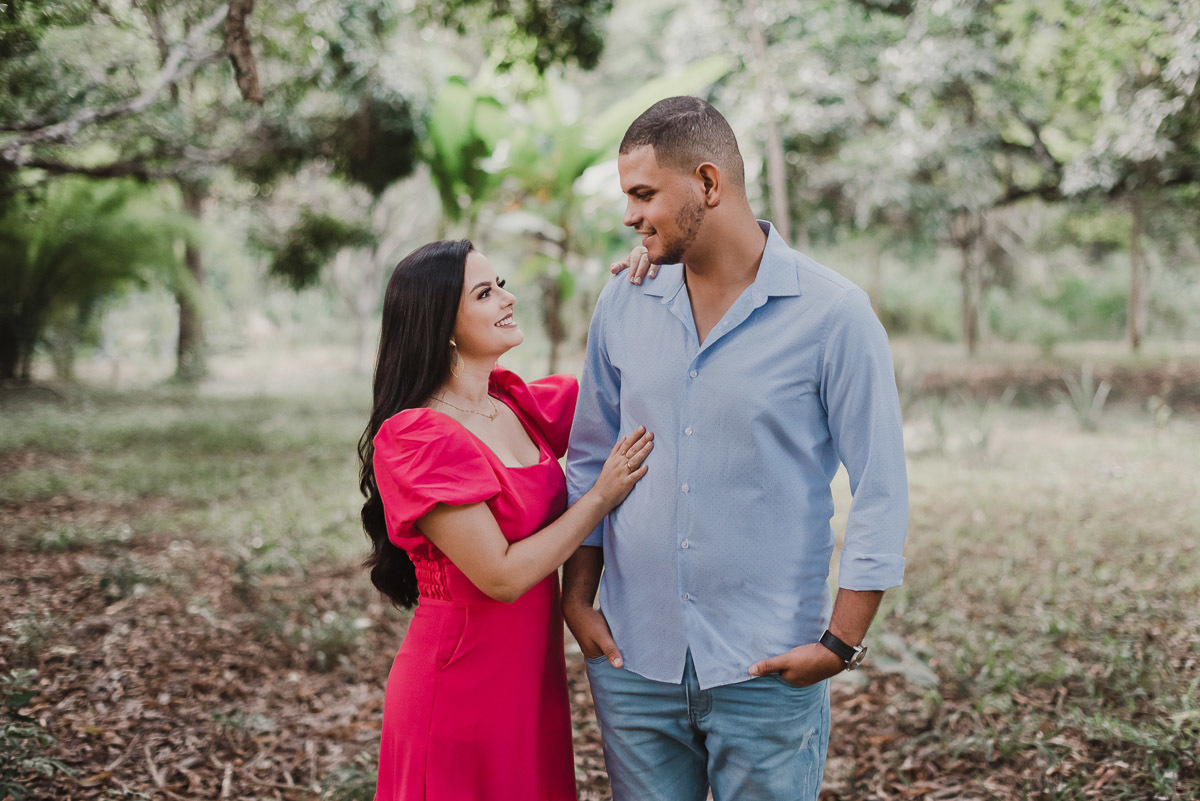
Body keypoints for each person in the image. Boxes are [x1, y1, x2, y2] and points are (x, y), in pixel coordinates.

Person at [563, 96, 910, 801]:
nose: (629, 215)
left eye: (643, 193)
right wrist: (577, 598)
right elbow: (590, 455)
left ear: (709, 183)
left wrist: (840, 643)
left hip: (768, 668)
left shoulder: (833, 314)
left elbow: (881, 486)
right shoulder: (625, 302)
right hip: (636, 663)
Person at [358, 239, 654, 801]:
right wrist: (599, 496)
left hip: (529, 680)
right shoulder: (416, 436)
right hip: (459, 689)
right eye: (485, 292)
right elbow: (501, 575)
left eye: (501, 284)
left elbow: (621, 387)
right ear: (442, 323)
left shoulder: (514, 402)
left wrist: (645, 287)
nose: (508, 298)